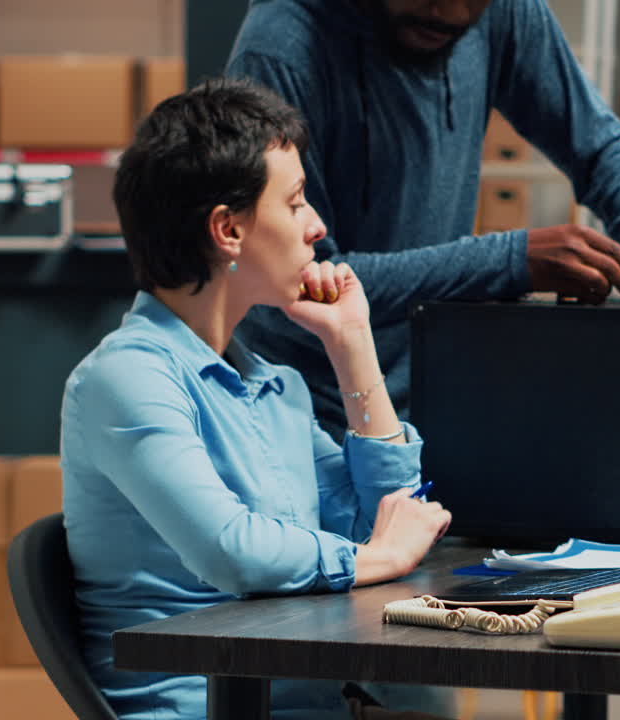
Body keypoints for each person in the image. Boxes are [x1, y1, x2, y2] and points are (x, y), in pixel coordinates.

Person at [61, 78, 452, 720]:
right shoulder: (126, 380)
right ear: (228, 230)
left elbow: (390, 519)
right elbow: (232, 550)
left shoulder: (275, 387)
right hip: (203, 705)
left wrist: (353, 342)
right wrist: (377, 555)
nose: (317, 227)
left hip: (304, 697)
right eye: (295, 203)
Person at [227, 0, 620, 435]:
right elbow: (300, 287)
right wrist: (508, 261)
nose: (451, 10)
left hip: (428, 404)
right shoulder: (282, 45)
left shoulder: (501, 12)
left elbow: (600, 149)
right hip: (303, 416)